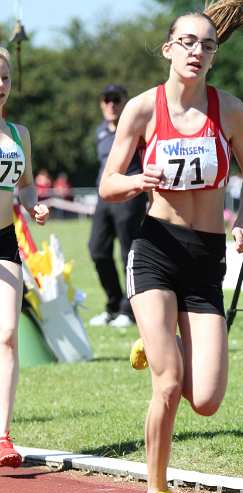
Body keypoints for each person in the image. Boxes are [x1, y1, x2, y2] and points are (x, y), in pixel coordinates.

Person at [99, 0, 243, 493]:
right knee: (169, 382)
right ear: (168, 49)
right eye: (187, 42)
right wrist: (138, 180)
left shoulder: (231, 110)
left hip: (206, 259)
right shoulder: (141, 109)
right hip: (156, 250)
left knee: (206, 399)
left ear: (214, 55)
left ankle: (155, 338)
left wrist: (242, 221)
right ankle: (155, 492)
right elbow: (108, 184)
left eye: (207, 45)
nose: (197, 51)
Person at [0, 47, 49, 467]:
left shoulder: (19, 134)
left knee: (8, 335)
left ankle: (2, 437)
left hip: (4, 240)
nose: (0, 85)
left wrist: (33, 205)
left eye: (5, 77)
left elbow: (26, 184)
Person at [88, 84, 147, 328]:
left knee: (128, 253)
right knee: (97, 250)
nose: (111, 105)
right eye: (107, 100)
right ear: (101, 104)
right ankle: (113, 306)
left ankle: (129, 311)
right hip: (104, 199)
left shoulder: (135, 129)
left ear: (125, 102)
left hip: (130, 197)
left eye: (116, 99)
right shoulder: (100, 132)